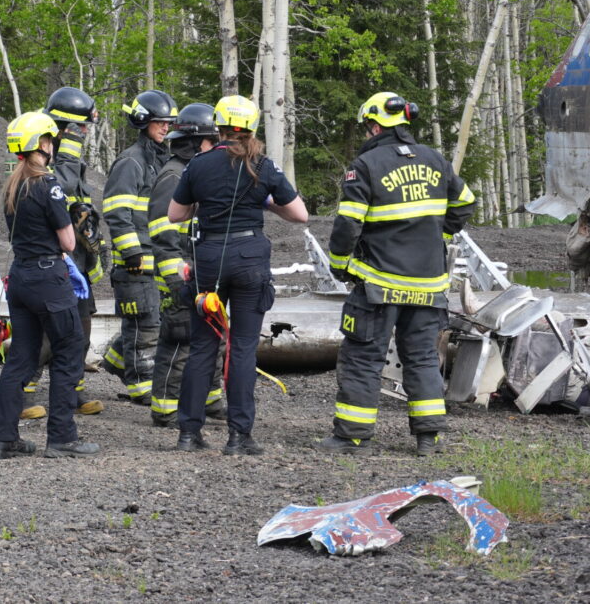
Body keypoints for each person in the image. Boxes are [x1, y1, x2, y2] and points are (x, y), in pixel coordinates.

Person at [318, 92, 475, 456]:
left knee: (363, 357)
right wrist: (441, 235)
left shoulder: (367, 165)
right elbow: (465, 201)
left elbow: (348, 223)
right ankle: (428, 437)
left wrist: (340, 264)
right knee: (422, 357)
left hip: (378, 285)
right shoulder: (436, 161)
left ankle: (352, 437)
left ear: (375, 125)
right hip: (428, 286)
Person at [168, 94, 307, 455]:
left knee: (203, 346)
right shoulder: (264, 165)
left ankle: (188, 433)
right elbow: (300, 215)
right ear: (252, 126)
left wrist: (207, 201)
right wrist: (265, 203)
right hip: (249, 258)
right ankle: (239, 436)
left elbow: (175, 215)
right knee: (242, 349)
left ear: (218, 125)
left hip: (208, 260)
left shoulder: (198, 165)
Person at [0, 112, 100, 459]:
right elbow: (68, 242)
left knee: (21, 358)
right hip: (49, 278)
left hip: (20, 278)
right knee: (69, 350)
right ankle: (62, 437)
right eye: (49, 140)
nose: (52, 145)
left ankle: (4, 439)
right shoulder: (48, 184)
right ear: (40, 144)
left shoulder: (12, 185)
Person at [18, 87, 106, 419]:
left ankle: (72, 390)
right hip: (51, 264)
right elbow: (61, 187)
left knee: (79, 331)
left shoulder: (72, 161)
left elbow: (74, 198)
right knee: (44, 336)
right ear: (67, 128)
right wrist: (68, 147)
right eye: (81, 128)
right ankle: (23, 393)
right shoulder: (42, 162)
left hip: (76, 266)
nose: (85, 133)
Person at [148, 102, 226, 428]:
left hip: (201, 271)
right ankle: (164, 407)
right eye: (213, 140)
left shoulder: (196, 173)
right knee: (178, 338)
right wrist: (177, 279)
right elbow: (162, 234)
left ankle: (211, 399)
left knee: (214, 335)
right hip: (179, 275)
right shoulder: (173, 176)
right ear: (196, 142)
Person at [101, 90, 177, 405]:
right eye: (159, 122)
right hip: (135, 261)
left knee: (151, 319)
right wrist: (132, 253)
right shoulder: (131, 160)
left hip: (156, 258)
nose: (165, 127)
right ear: (143, 122)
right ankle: (142, 385)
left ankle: (118, 361)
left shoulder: (162, 159)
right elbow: (117, 211)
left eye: (168, 122)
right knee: (144, 323)